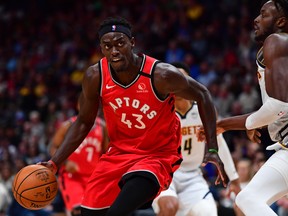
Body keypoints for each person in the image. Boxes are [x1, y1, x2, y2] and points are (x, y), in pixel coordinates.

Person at [39, 17, 227, 216]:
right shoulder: (95, 76)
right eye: (107, 46)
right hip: (118, 154)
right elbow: (84, 121)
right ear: (101, 48)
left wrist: (213, 147)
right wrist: (54, 162)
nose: (114, 51)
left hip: (157, 155)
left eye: (120, 43)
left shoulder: (161, 75)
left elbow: (203, 94)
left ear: (132, 42)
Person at [210, 1, 288, 215]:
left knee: (248, 199)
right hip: (284, 146)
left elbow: (279, 105)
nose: (256, 19)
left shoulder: (276, 41)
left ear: (281, 21)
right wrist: (259, 121)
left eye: (263, 15)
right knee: (248, 198)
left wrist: (226, 124)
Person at [152, 62, 240, 216]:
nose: (176, 85)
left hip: (193, 174)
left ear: (188, 82)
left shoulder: (204, 109)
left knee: (208, 212)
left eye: (180, 79)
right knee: (169, 206)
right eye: (172, 80)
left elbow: (219, 141)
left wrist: (234, 177)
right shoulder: (159, 111)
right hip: (164, 172)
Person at [49, 94, 109, 216]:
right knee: (77, 212)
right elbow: (53, 147)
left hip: (93, 178)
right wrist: (65, 162)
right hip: (72, 177)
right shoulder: (67, 126)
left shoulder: (102, 127)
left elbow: (106, 152)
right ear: (78, 106)